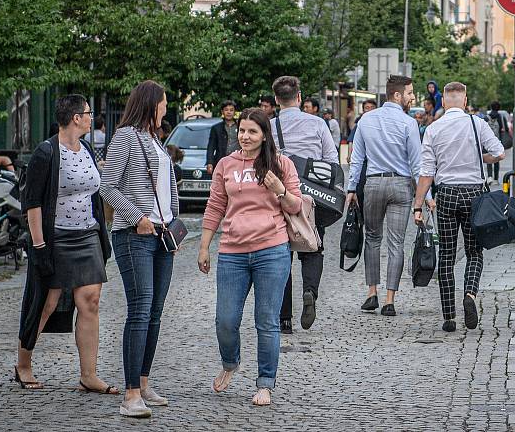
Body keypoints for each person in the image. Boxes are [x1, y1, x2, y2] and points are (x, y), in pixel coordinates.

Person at [198, 108, 301, 407]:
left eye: (252, 131)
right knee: (225, 320)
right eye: (242, 130)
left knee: (266, 321)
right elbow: (215, 206)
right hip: (232, 252)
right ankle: (231, 362)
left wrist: (279, 189)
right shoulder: (226, 165)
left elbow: (296, 206)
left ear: (264, 134)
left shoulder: (281, 164)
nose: (245, 136)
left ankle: (265, 383)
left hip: (272, 250)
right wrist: (204, 246)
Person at [16, 95, 114, 394]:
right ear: (76, 118)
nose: (90, 117)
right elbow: (32, 203)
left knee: (90, 302)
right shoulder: (45, 153)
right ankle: (23, 364)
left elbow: (95, 192)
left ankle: (89, 375)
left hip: (86, 235)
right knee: (46, 302)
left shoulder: (85, 148)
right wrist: (40, 246)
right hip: (54, 237)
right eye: (88, 113)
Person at [100, 80, 179, 418]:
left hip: (162, 236)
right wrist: (137, 217)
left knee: (156, 313)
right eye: (163, 103)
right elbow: (107, 187)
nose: (166, 108)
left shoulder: (155, 140)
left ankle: (144, 382)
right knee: (140, 310)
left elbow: (168, 187)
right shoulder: (126, 137)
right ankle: (130, 394)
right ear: (151, 104)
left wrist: (174, 224)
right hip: (134, 236)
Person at [413, 82, 504, 332]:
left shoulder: (433, 129)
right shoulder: (477, 124)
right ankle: (470, 295)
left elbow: (426, 172)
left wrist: (418, 205)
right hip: (474, 194)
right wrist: (481, 158)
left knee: (447, 255)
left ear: (444, 102)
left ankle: (449, 316)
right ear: (465, 101)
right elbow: (499, 153)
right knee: (474, 252)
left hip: (447, 195)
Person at [346, 75, 434, 316]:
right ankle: (389, 300)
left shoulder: (366, 120)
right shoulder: (408, 124)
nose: (412, 97)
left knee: (372, 238)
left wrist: (352, 188)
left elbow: (357, 159)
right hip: (401, 186)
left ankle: (371, 293)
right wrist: (426, 197)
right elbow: (418, 165)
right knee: (396, 243)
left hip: (373, 184)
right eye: (409, 93)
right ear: (397, 95)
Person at [270, 76, 339, 334]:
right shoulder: (318, 124)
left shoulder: (269, 126)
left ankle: (284, 318)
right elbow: (331, 162)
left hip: (279, 196)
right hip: (311, 197)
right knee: (313, 247)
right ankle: (310, 291)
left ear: (277, 99)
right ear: (299, 97)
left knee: (281, 255)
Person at [206, 101, 240, 175]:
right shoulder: (216, 128)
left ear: (235, 112)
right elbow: (211, 146)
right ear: (222, 111)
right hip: (221, 160)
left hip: (238, 161)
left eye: (231, 110)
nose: (229, 112)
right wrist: (209, 162)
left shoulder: (240, 127)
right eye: (226, 110)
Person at [346, 99, 377, 164]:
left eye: (372, 108)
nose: (370, 110)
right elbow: (351, 140)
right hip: (363, 159)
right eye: (367, 108)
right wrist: (349, 155)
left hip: (376, 160)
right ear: (363, 110)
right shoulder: (360, 123)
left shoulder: (381, 124)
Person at [487, 101, 509, 180]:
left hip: (488, 141)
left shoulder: (487, 117)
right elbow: (506, 129)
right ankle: (496, 178)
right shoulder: (501, 116)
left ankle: (490, 176)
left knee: (488, 158)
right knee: (496, 159)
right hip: (497, 141)